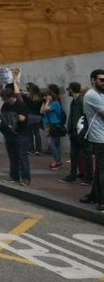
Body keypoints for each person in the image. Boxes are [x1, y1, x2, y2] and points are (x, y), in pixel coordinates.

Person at [60, 82, 92, 184]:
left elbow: (87, 116)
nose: (67, 90)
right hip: (74, 132)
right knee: (73, 155)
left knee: (86, 155)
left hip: (81, 132)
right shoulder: (74, 101)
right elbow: (72, 117)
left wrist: (84, 131)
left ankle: (88, 176)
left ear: (72, 89)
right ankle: (73, 174)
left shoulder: (82, 101)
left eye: (68, 88)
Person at [0, 88, 30, 186]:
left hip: (20, 133)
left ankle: (26, 178)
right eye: (4, 99)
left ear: (12, 97)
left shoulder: (20, 105)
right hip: (9, 134)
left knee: (22, 156)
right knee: (12, 156)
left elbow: (23, 118)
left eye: (7, 99)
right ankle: (14, 177)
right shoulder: (5, 105)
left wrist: (13, 116)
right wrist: (1, 115)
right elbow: (2, 115)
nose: (5, 101)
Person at [82, 69, 104, 212]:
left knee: (100, 170)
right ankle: (102, 202)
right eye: (101, 80)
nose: (103, 82)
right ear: (93, 80)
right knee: (103, 170)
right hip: (100, 138)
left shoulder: (100, 94)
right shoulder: (92, 95)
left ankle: (94, 196)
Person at [40, 87, 63, 169]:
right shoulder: (48, 103)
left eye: (45, 96)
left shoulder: (55, 103)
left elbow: (45, 110)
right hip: (48, 126)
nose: (44, 97)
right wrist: (45, 102)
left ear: (50, 96)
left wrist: (48, 101)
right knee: (55, 144)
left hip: (53, 125)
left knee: (52, 143)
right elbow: (41, 111)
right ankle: (58, 160)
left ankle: (57, 161)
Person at [22, 84, 43, 156]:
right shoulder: (40, 98)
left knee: (29, 133)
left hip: (29, 116)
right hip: (37, 116)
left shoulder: (27, 97)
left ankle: (30, 149)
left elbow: (20, 94)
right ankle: (38, 149)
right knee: (37, 133)